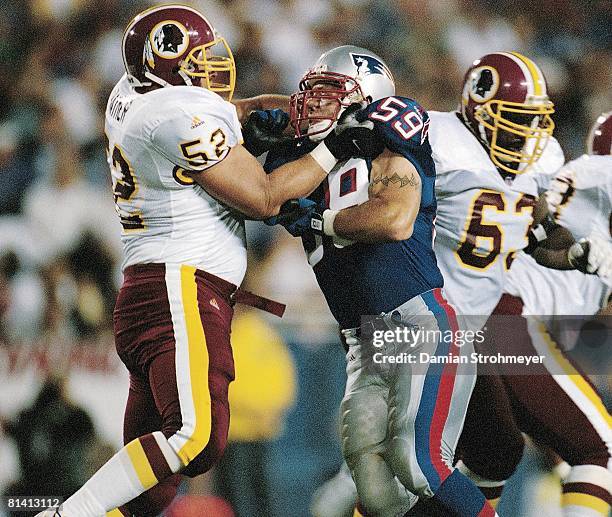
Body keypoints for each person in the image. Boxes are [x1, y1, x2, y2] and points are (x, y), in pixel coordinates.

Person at [36, 5, 384, 517]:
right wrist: (334, 146)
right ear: (166, 64)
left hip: (153, 289)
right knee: (196, 438)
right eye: (197, 60)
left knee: (151, 486)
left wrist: (267, 111)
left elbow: (220, 112)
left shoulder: (133, 95)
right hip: (180, 288)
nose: (211, 67)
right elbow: (263, 198)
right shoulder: (174, 114)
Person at [262, 45, 499, 517]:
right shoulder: (297, 160)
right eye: (312, 93)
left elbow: (394, 218)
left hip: (417, 321)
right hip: (362, 343)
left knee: (421, 464)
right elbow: (256, 195)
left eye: (329, 93)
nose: (314, 103)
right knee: (374, 488)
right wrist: (250, 127)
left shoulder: (389, 137)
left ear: (363, 99)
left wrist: (321, 221)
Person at [459, 111, 612, 517]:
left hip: (478, 324)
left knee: (490, 459)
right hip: (505, 321)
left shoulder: (574, 192)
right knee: (602, 450)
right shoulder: (590, 191)